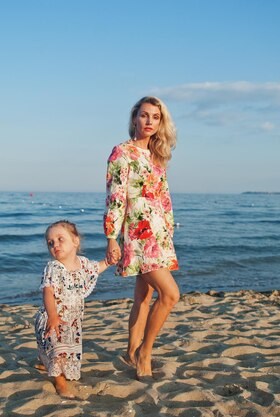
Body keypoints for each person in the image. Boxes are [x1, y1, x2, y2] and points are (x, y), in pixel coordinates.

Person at [104, 96, 180, 380]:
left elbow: (164, 197)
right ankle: (145, 354)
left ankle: (131, 350)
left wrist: (168, 230)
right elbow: (116, 197)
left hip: (159, 233)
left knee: (143, 297)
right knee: (171, 295)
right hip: (137, 234)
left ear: (161, 123)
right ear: (135, 118)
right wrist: (112, 237)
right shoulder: (121, 152)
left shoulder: (158, 156)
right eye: (144, 115)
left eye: (155, 117)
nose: (149, 121)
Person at [34, 220, 112, 398]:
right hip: (52, 315)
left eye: (60, 239)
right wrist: (52, 316)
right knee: (56, 345)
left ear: (75, 241)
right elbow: (48, 292)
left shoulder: (83, 264)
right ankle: (59, 382)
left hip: (73, 318)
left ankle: (43, 360)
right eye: (50, 243)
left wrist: (108, 262)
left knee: (60, 347)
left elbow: (96, 269)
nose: (55, 245)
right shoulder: (53, 267)